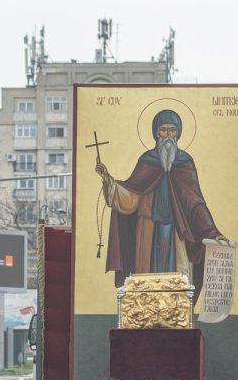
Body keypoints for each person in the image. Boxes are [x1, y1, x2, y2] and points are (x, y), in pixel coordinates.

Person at [96, 109, 230, 295]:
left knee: (179, 278)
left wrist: (212, 232)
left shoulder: (185, 163)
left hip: (177, 230)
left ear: (178, 133)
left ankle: (177, 307)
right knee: (146, 277)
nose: (168, 135)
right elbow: (132, 194)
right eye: (164, 130)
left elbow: (195, 202)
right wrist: (108, 180)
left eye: (172, 130)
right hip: (148, 227)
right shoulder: (147, 161)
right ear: (156, 133)